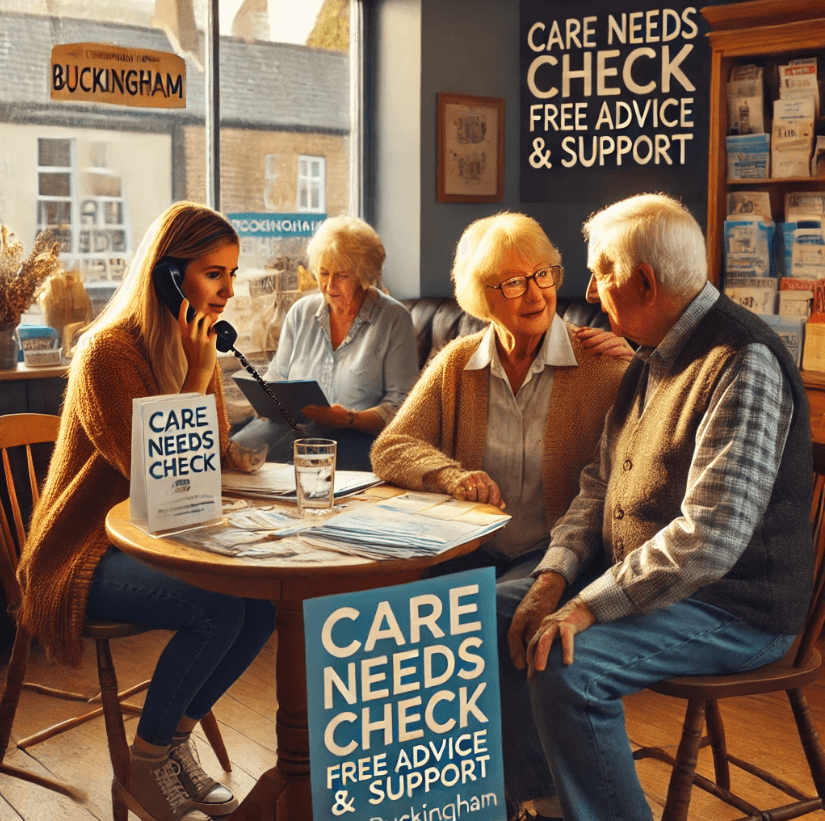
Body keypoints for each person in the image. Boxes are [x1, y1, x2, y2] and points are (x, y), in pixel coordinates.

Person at [499, 193, 813, 821]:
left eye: (599, 271)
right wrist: (553, 578)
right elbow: (599, 484)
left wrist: (584, 607)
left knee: (568, 669)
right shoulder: (651, 353)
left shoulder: (741, 360)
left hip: (737, 607)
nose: (587, 288)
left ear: (643, 281)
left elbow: (710, 540)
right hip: (656, 584)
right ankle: (549, 801)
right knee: (487, 610)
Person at [16, 201, 276, 821]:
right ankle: (146, 767)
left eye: (232, 275)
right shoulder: (108, 353)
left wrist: (230, 440)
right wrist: (196, 374)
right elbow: (165, 477)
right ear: (168, 274)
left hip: (152, 537)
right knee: (214, 608)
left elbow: (205, 460)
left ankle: (172, 746)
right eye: (215, 274)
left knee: (261, 603)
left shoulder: (192, 348)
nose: (228, 292)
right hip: (83, 549)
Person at [370, 212, 630, 585]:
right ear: (481, 296)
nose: (536, 293)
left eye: (543, 274)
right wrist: (451, 477)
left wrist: (643, 368)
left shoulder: (602, 366)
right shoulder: (457, 363)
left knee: (474, 614)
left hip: (552, 558)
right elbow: (391, 447)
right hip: (465, 549)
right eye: (513, 283)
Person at [232, 215, 419, 471]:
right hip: (290, 426)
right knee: (232, 457)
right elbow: (277, 376)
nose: (329, 286)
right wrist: (266, 399)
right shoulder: (301, 312)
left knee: (301, 468)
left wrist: (349, 419)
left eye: (341, 276)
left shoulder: (394, 320)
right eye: (323, 273)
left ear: (365, 275)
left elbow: (402, 408)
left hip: (356, 438)